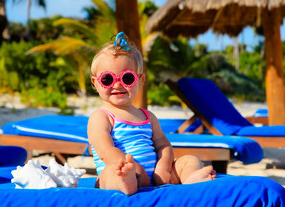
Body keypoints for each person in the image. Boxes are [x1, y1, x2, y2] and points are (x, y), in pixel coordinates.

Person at [87, 32, 216, 195]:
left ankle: (191, 177)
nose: (117, 84)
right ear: (95, 83)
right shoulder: (101, 117)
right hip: (122, 169)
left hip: (156, 177)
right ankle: (124, 182)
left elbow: (164, 145)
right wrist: (133, 168)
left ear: (140, 81)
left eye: (127, 78)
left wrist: (163, 167)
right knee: (109, 174)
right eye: (107, 79)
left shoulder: (147, 117)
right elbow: (106, 152)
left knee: (189, 160)